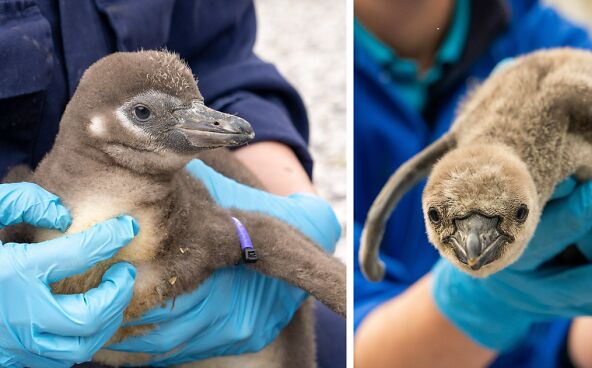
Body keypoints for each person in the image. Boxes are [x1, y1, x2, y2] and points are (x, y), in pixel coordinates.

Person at [353, 0, 592, 367]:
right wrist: (473, 301)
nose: (472, 244)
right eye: (439, 217)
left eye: (514, 214)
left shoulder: (547, 41)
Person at [0, 1, 344, 367]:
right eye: (144, 113)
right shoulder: (31, 210)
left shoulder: (178, 216)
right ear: (99, 126)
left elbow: (222, 59)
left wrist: (291, 211)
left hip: (225, 309)